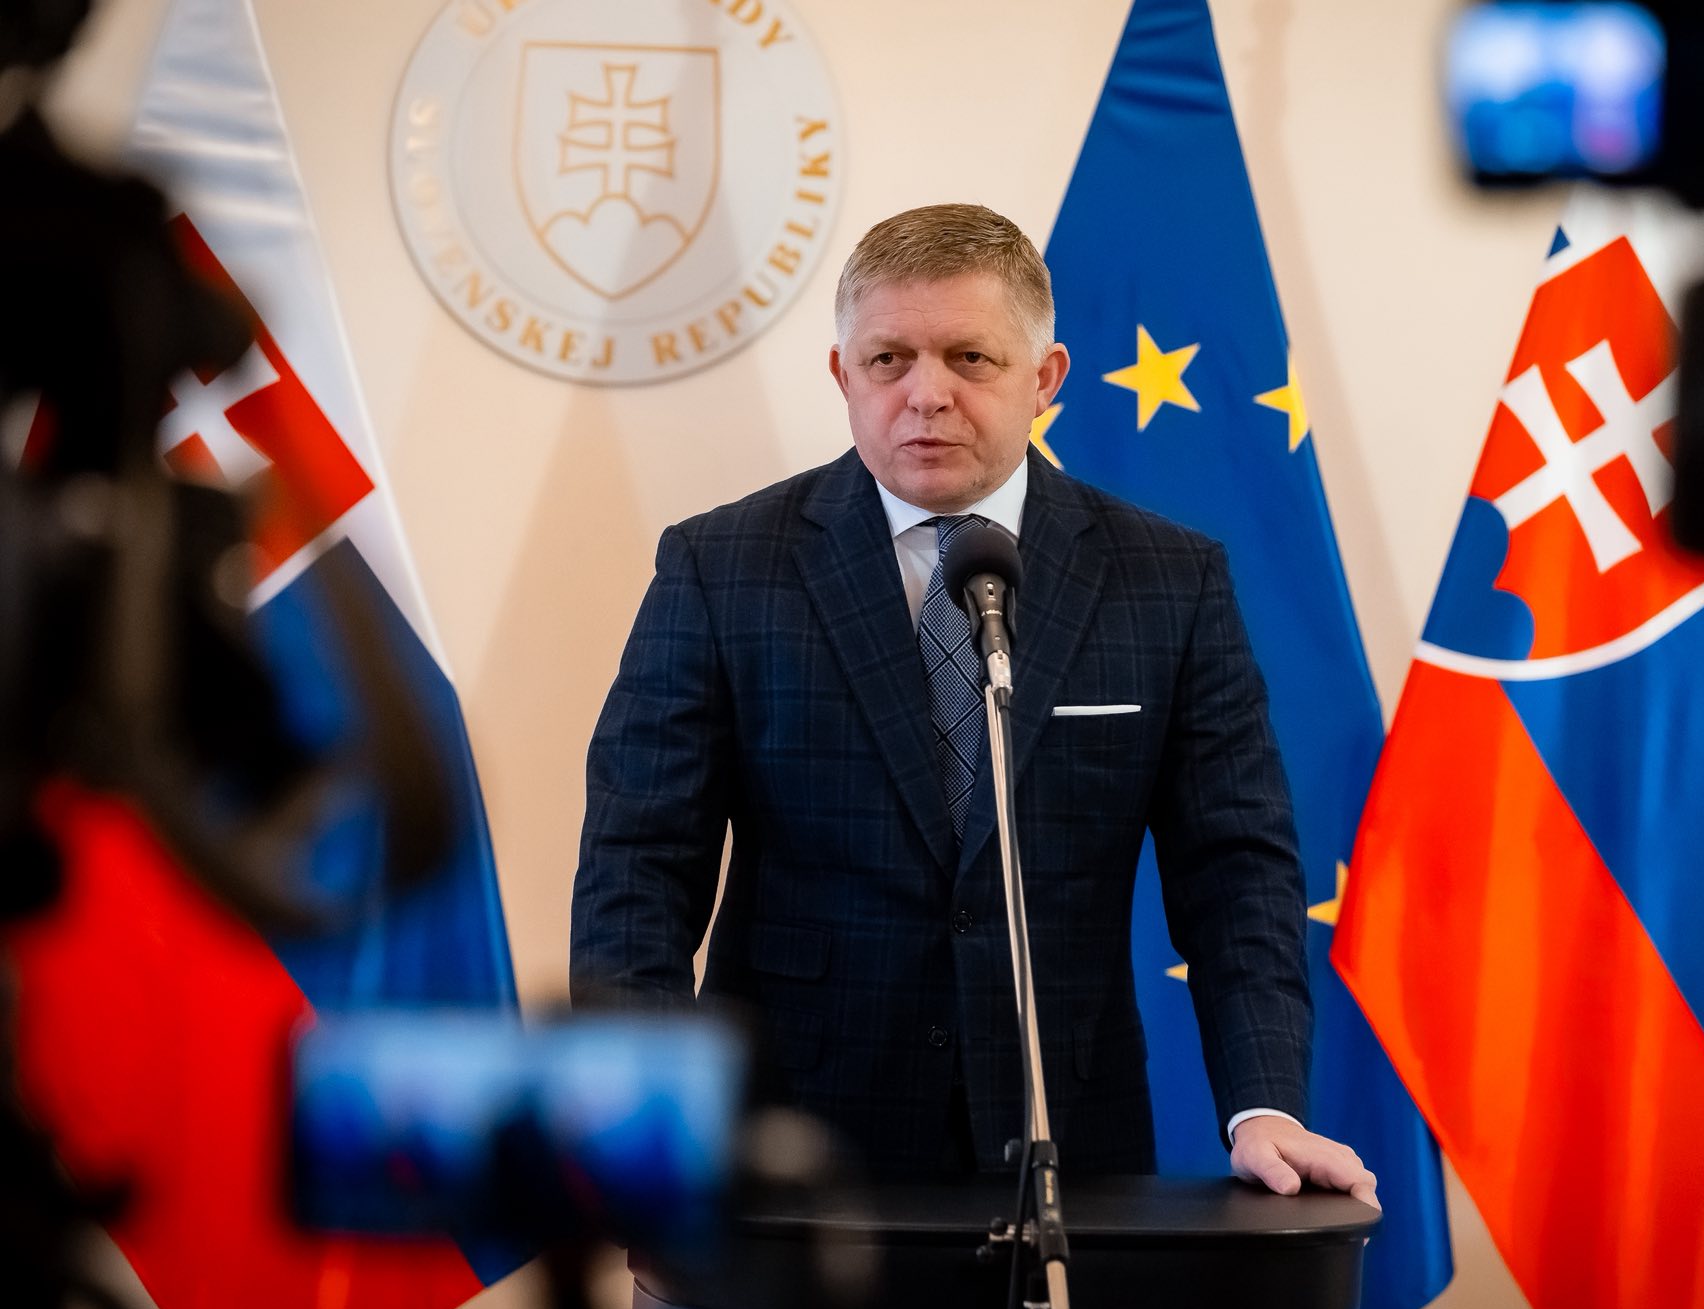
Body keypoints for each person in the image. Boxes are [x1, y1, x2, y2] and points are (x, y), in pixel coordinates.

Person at [571, 203, 1376, 1204]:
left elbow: (1237, 871)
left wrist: (1265, 1107)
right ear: (842, 375)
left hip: (1066, 1141)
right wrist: (639, 1126)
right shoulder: (722, 566)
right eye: (888, 360)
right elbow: (639, 865)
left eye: (969, 358)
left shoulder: (1169, 581)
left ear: (1045, 378)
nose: (926, 395)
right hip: (778, 1146)